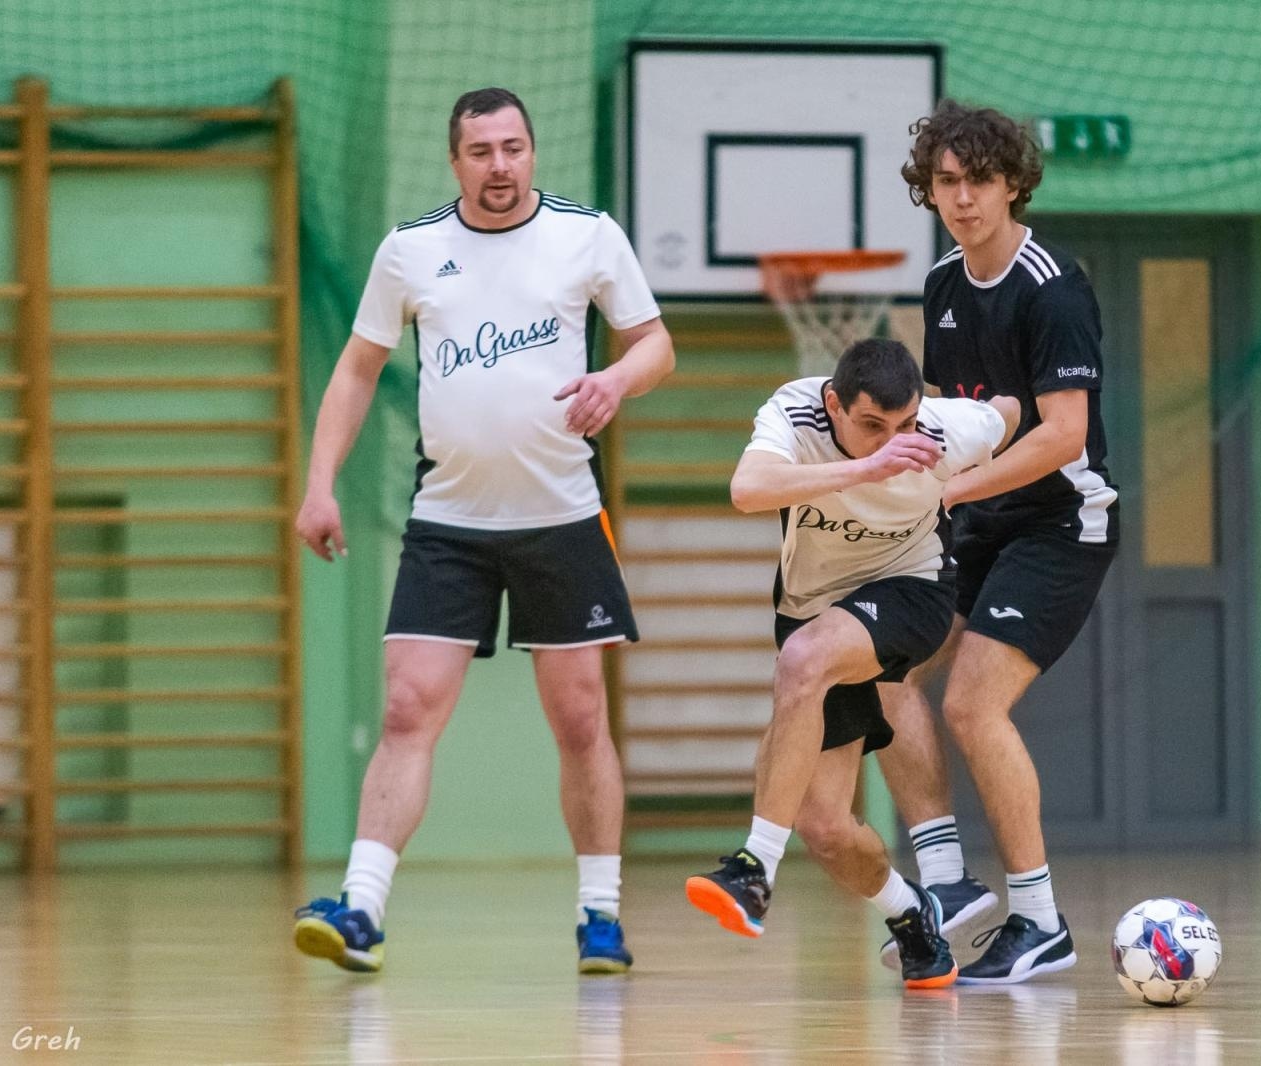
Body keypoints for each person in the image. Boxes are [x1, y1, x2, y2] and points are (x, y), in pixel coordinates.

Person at [290, 87, 674, 975]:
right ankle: (361, 909)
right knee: (406, 708)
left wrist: (617, 383)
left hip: (563, 518)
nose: (499, 166)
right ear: (454, 160)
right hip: (449, 522)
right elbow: (355, 373)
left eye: (512, 148)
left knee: (581, 720)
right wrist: (319, 485)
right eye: (480, 152)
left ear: (532, 152)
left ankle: (601, 918)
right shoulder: (411, 252)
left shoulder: (588, 236)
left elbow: (655, 344)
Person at [684, 338, 1020, 990]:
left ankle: (754, 868)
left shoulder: (950, 428)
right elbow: (747, 488)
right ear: (834, 404)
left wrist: (971, 488)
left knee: (802, 659)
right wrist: (867, 469)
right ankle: (911, 915)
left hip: (912, 591)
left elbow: (1014, 409)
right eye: (872, 425)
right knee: (827, 827)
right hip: (816, 605)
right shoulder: (797, 412)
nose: (894, 440)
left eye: (904, 426)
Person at [873, 99, 1120, 985]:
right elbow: (955, 421)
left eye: (980, 180)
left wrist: (955, 488)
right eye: (946, 181)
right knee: (883, 668)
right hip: (978, 516)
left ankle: (1040, 919)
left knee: (974, 705)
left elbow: (1060, 435)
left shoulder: (1052, 288)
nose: (963, 198)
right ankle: (944, 878)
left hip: (1062, 520)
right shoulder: (942, 285)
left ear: (1014, 183)